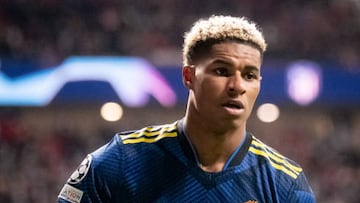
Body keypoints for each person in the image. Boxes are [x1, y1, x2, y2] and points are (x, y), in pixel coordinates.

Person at [57, 15, 315, 203]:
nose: (237, 86)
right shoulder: (121, 161)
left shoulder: (285, 185)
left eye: (249, 75)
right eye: (221, 71)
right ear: (188, 76)